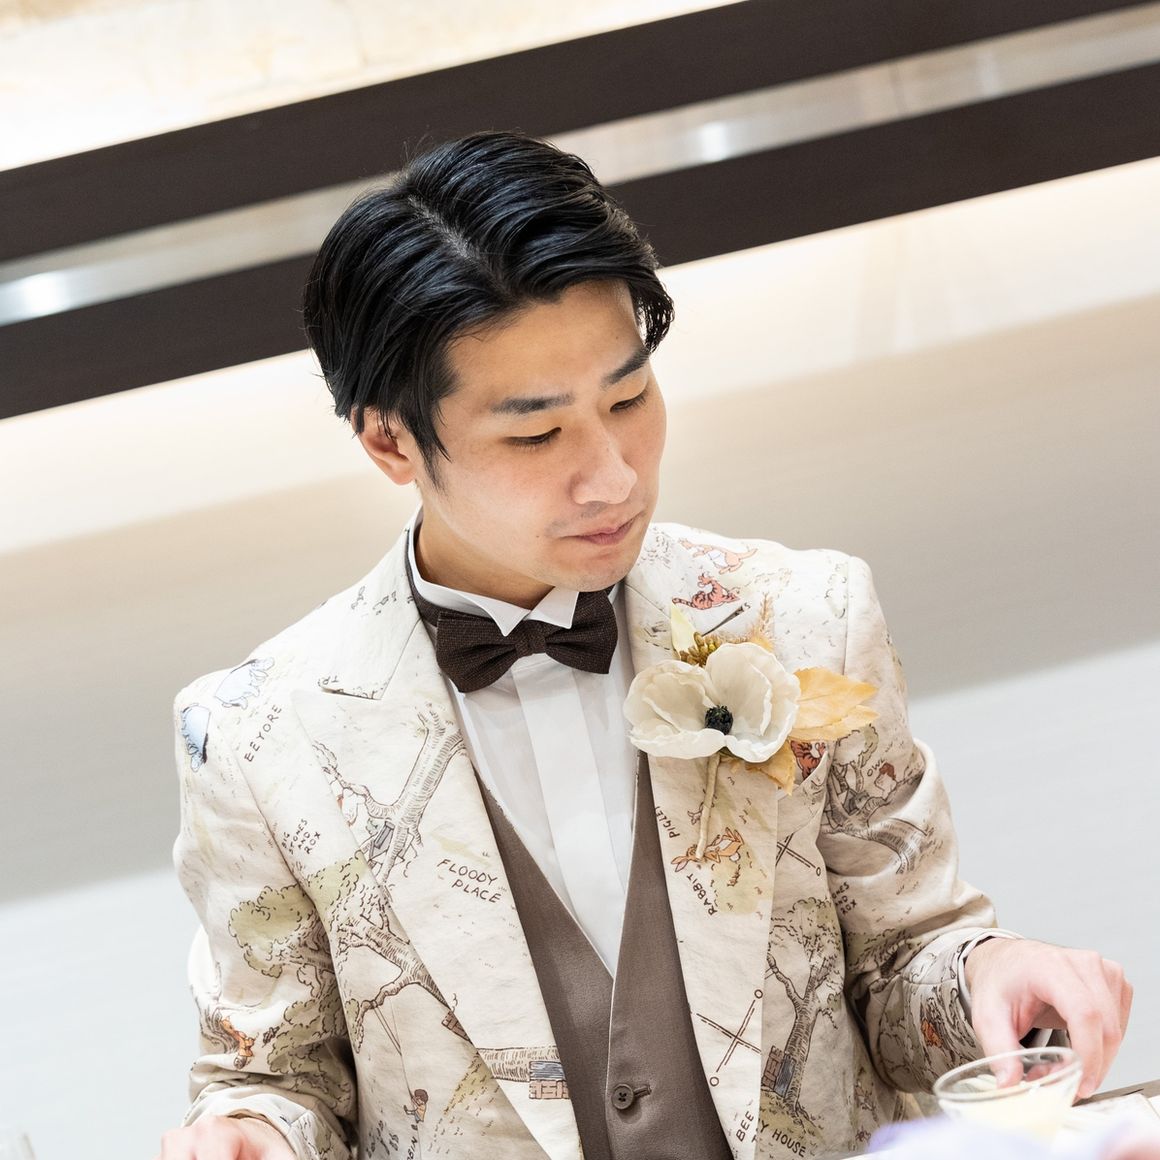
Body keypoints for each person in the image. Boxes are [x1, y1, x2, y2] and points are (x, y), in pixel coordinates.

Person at [158, 131, 1131, 1160]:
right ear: (389, 440)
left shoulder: (806, 615)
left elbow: (900, 958)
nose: (613, 476)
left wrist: (986, 976)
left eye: (627, 399)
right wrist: (249, 1134)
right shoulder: (259, 737)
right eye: (535, 435)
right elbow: (277, 1076)